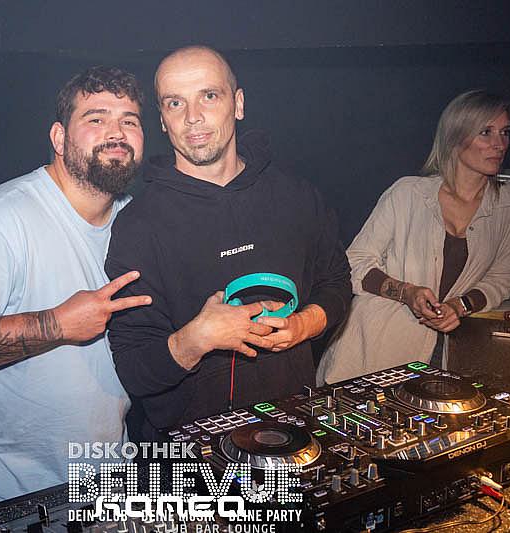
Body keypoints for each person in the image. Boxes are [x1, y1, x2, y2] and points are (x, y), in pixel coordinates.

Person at [0, 66, 151, 506]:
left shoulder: (137, 220)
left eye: (129, 121)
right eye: (96, 118)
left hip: (108, 481)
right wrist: (58, 324)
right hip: (9, 493)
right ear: (59, 138)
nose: (116, 132)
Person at [105, 46, 351, 442]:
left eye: (209, 95)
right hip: (189, 451)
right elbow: (134, 368)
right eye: (175, 103)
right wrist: (195, 340)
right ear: (163, 121)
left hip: (292, 431)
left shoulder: (296, 195)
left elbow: (337, 282)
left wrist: (303, 325)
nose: (192, 116)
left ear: (238, 104)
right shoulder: (138, 226)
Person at [317, 89, 510, 384]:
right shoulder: (408, 193)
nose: (500, 144)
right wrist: (407, 293)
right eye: (486, 132)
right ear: (455, 137)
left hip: (451, 354)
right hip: (373, 348)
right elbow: (354, 262)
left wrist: (460, 306)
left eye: (505, 132)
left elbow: (504, 277)